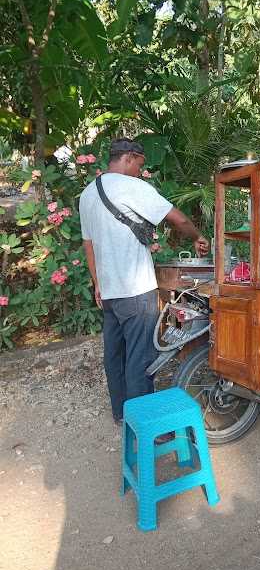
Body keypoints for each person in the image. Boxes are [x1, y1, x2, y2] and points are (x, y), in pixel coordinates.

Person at [79, 138, 209, 424]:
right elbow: (178, 219)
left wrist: (97, 283)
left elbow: (88, 245)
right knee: (140, 357)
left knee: (115, 355)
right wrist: (198, 236)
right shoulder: (133, 187)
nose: (140, 170)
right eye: (140, 164)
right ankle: (144, 423)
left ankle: (121, 414)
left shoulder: (88, 194)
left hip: (110, 292)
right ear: (128, 157)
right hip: (136, 291)